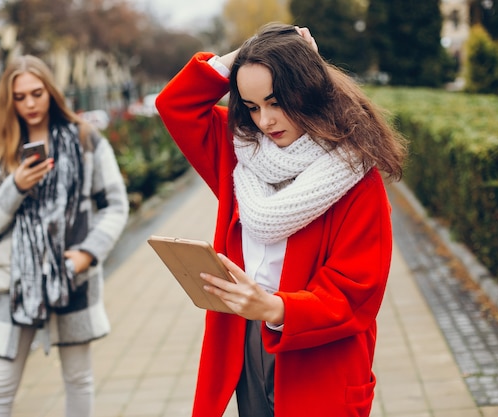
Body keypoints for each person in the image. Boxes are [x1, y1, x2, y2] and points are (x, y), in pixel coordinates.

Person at [155, 22, 407, 417]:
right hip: (243, 340)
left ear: (307, 90)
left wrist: (274, 308)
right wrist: (250, 53)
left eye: (276, 102)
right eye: (252, 107)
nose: (265, 121)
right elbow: (175, 105)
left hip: (317, 357)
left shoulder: (357, 175)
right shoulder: (240, 150)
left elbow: (357, 290)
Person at [0, 55, 129, 417]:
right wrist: (16, 186)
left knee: (78, 380)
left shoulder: (86, 139)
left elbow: (115, 205)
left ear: (51, 92)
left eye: (37, 93)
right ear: (8, 101)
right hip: (12, 283)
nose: (29, 104)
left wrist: (86, 254)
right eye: (20, 97)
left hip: (71, 276)